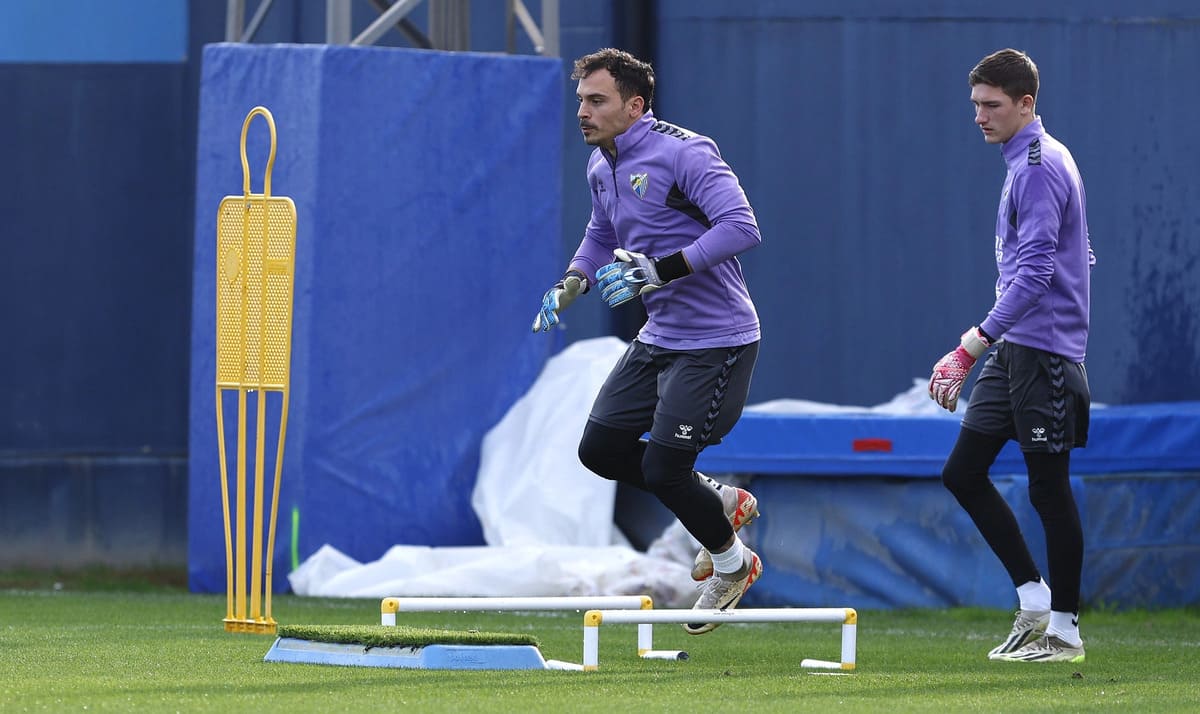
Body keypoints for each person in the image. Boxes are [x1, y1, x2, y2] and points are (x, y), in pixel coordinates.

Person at [532, 48, 764, 633]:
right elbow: (601, 233)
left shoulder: (686, 152)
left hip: (717, 340)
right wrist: (572, 282)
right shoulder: (600, 163)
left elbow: (742, 227)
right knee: (600, 451)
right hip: (658, 335)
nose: (582, 111)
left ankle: (733, 567)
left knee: (663, 468)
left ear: (634, 106)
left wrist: (663, 269)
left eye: (597, 100)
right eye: (581, 99)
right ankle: (718, 500)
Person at [929, 48, 1095, 663]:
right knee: (962, 473)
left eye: (991, 105)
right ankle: (1032, 600)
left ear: (1026, 103)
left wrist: (970, 345)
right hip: (1019, 347)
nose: (979, 115)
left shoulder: (1039, 163)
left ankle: (1066, 632)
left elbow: (1036, 273)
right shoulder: (1025, 161)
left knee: (1049, 490)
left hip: (1042, 349)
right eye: (975, 104)